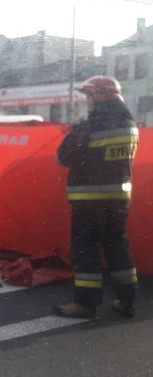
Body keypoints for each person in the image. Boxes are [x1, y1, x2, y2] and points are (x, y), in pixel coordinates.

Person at [53, 75, 139, 319]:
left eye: (88, 96)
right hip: (119, 200)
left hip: (90, 202)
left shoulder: (92, 126)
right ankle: (127, 299)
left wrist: (74, 132)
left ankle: (85, 304)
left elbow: (62, 157)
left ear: (100, 95)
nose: (87, 102)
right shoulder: (129, 124)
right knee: (118, 246)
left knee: (86, 249)